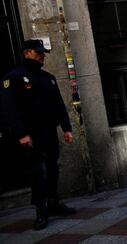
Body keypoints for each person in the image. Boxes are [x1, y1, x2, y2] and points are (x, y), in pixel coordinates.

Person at [1, 39, 76, 230]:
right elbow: (10, 110)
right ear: (27, 53)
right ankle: (41, 211)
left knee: (53, 168)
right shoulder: (14, 77)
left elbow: (59, 105)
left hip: (48, 132)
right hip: (29, 135)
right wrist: (21, 134)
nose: (42, 55)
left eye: (43, 52)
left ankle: (54, 202)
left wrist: (67, 128)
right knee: (37, 172)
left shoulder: (48, 77)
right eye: (38, 52)